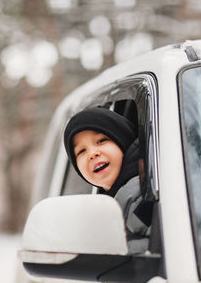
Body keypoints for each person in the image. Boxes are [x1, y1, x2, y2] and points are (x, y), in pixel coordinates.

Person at [63, 107, 150, 253]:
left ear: (122, 140)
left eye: (101, 141)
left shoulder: (141, 195)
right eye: (81, 151)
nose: (92, 153)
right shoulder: (111, 201)